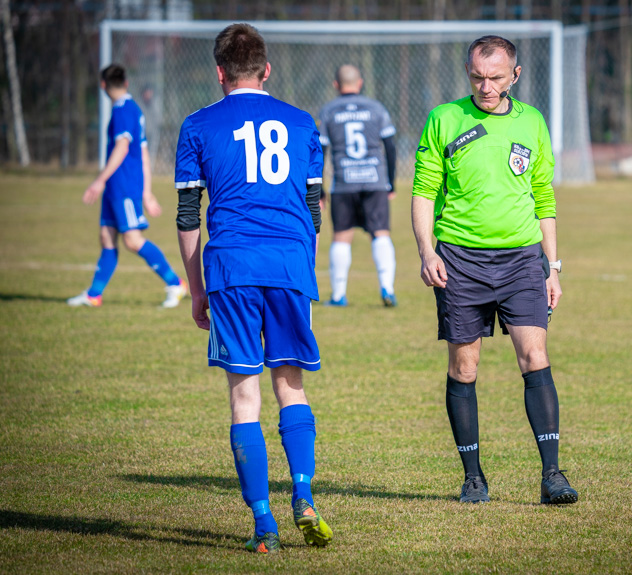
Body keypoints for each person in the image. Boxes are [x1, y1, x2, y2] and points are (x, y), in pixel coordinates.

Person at [174, 23, 331, 553]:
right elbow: (314, 209)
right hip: (289, 265)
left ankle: (264, 523)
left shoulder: (197, 125)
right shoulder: (303, 122)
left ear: (219, 73)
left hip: (231, 269)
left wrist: (196, 287)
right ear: (267, 70)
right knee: (292, 386)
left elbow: (187, 213)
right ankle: (304, 495)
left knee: (245, 397)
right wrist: (302, 270)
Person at [411, 35, 578, 505]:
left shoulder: (533, 122)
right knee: (465, 366)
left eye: (496, 78)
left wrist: (553, 266)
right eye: (477, 77)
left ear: (515, 76)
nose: (486, 87)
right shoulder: (445, 119)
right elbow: (424, 190)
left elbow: (543, 196)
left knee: (535, 357)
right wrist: (427, 251)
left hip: (523, 258)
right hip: (460, 260)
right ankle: (473, 478)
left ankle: (552, 477)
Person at [67, 64, 186, 308]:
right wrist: (148, 192)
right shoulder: (133, 109)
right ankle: (94, 294)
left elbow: (123, 148)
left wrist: (100, 180)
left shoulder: (123, 110)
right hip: (117, 187)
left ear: (103, 85)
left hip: (123, 186)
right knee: (107, 237)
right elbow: (143, 154)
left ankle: (175, 284)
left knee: (132, 240)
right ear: (126, 83)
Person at [317, 65, 398, 307]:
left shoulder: (328, 111)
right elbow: (391, 147)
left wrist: (320, 188)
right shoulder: (376, 108)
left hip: (343, 184)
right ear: (360, 82)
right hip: (375, 182)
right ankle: (387, 288)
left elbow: (320, 152)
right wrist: (390, 183)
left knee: (342, 237)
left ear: (336, 85)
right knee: (380, 233)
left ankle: (339, 295)